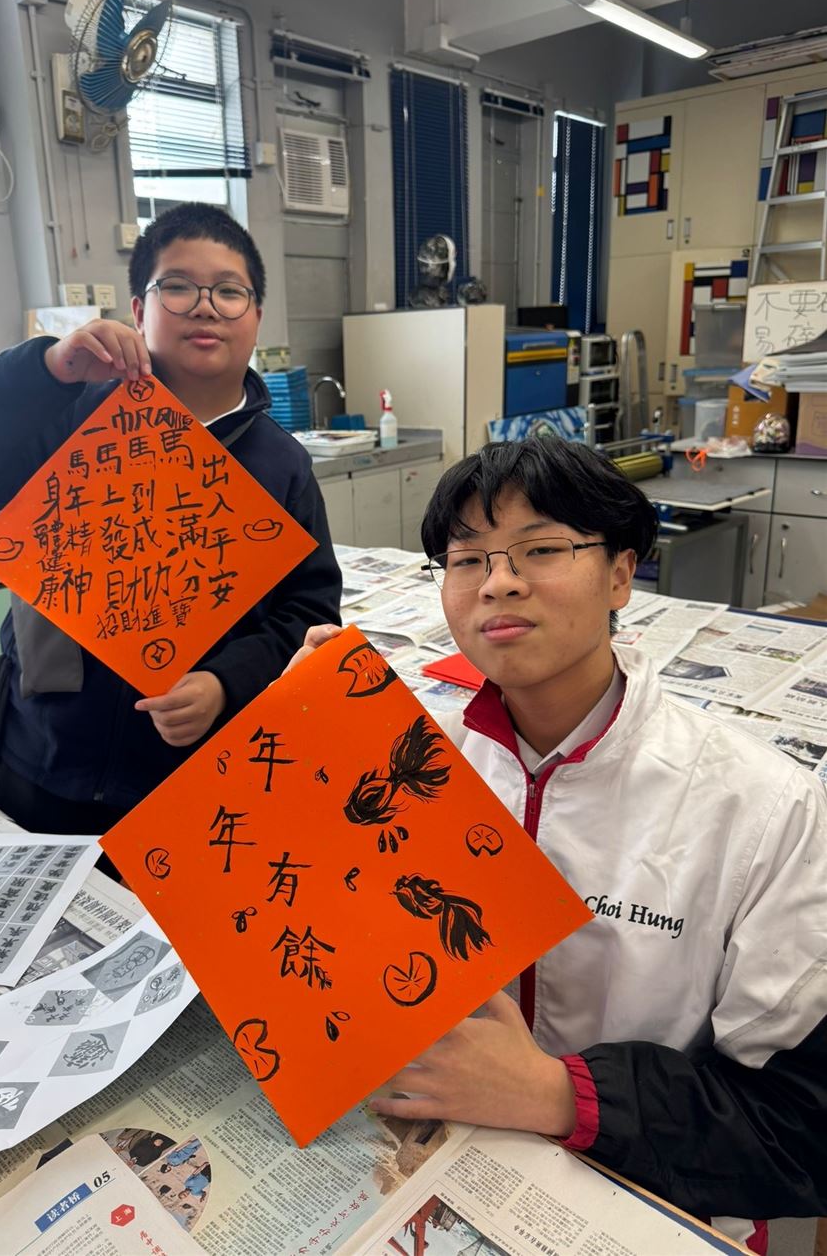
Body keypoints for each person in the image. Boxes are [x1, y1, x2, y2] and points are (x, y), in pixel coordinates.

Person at [290, 437, 827, 1253]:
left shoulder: (762, 808)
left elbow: (799, 1124)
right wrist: (302, 758)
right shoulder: (419, 759)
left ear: (620, 575)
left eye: (540, 550)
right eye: (466, 559)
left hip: (641, 1191)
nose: (498, 582)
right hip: (432, 1165)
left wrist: (555, 1093)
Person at [0, 204, 342, 836]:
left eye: (229, 292)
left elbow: (309, 610)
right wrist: (49, 370)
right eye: (178, 287)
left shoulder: (281, 465)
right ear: (139, 311)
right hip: (39, 760)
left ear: (256, 317)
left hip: (187, 782)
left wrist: (225, 683)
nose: (205, 307)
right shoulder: (73, 415)